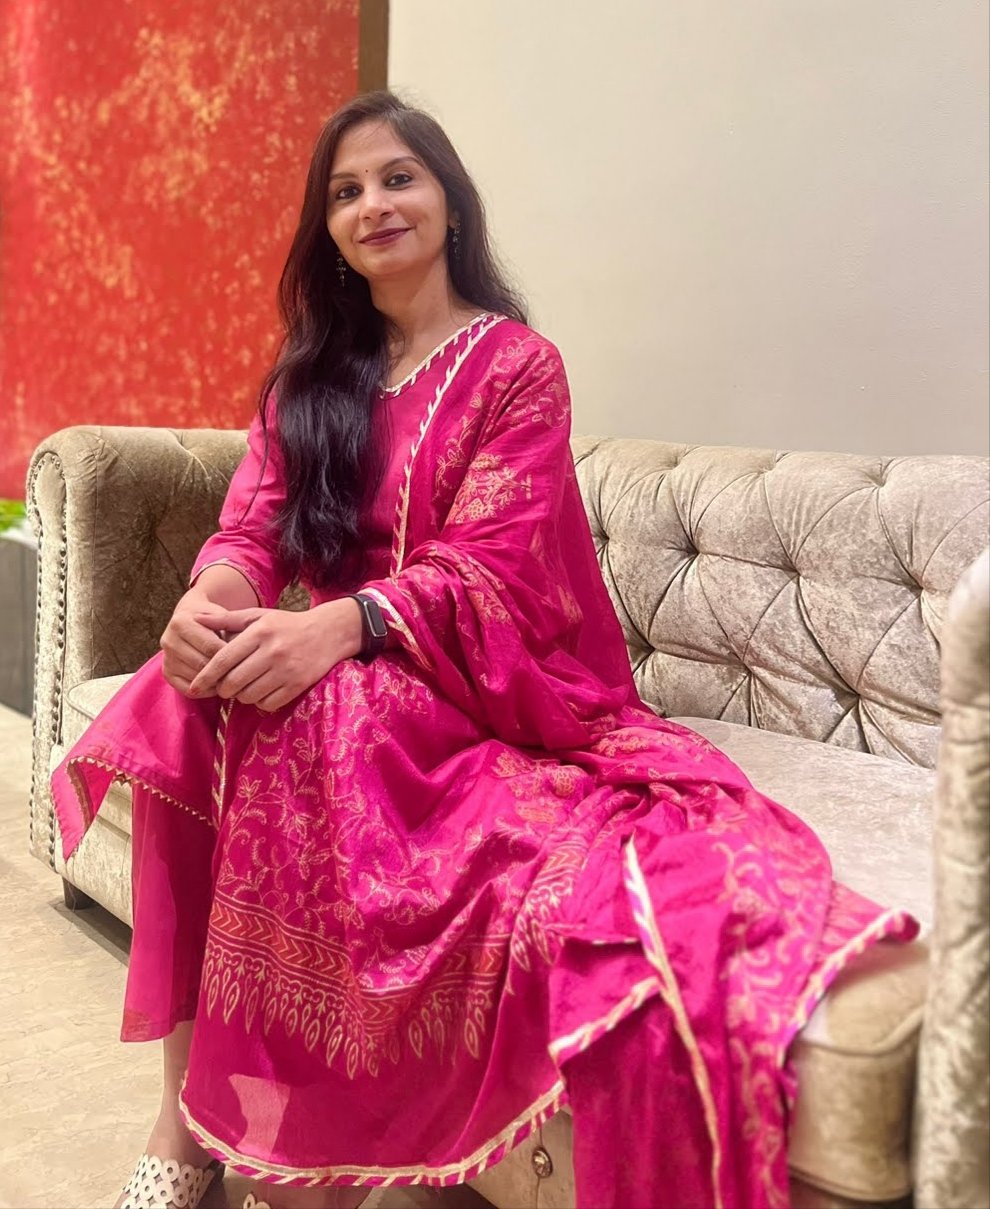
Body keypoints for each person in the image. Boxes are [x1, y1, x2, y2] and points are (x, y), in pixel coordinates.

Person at [52, 91, 916, 1209]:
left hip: (475, 680)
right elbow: (253, 528)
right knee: (186, 690)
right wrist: (212, 604)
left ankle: (295, 1145)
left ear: (450, 203)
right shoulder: (313, 378)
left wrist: (343, 625)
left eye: (397, 178)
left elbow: (498, 566)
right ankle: (185, 1118)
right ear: (329, 231)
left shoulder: (516, 365)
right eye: (346, 192)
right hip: (345, 662)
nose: (374, 205)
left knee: (314, 706)